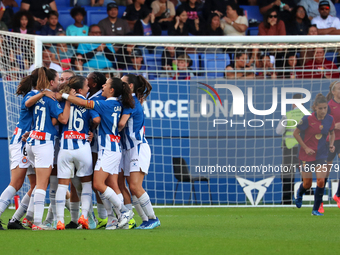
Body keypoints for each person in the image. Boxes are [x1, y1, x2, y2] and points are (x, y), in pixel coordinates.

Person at [61, 77, 135, 230]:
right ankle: (113, 220)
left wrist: (64, 95)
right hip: (114, 148)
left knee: (97, 184)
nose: (103, 86)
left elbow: (83, 103)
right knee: (112, 184)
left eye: (106, 84)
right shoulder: (116, 104)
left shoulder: (105, 104)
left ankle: (123, 211)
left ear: (112, 90)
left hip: (108, 150)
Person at [0, 68, 54, 230]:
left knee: (35, 185)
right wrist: (44, 93)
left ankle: (16, 219)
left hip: (32, 142)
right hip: (21, 142)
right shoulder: (33, 95)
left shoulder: (43, 96)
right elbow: (27, 103)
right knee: (16, 183)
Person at [24, 68, 70, 230]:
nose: (59, 82)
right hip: (44, 143)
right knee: (42, 184)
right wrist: (69, 101)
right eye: (58, 80)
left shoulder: (36, 96)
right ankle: (37, 223)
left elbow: (28, 104)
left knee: (37, 184)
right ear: (51, 82)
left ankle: (28, 218)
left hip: (31, 141)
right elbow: (63, 119)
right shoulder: (51, 99)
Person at [55, 76, 100, 230]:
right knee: (86, 184)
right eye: (87, 86)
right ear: (80, 89)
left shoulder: (62, 101)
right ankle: (84, 217)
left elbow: (58, 119)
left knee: (62, 186)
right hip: (83, 147)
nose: (89, 88)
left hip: (65, 147)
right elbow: (96, 120)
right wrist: (91, 130)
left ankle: (59, 221)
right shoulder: (88, 104)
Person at [119, 74, 160, 229]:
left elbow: (121, 124)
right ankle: (145, 220)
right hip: (128, 149)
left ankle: (153, 218)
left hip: (138, 147)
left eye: (122, 83)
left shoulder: (132, 102)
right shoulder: (128, 101)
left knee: (135, 186)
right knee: (131, 186)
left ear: (130, 86)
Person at [294, 93, 335, 216]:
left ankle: (315, 209)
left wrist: (332, 144)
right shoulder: (307, 119)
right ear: (315, 108)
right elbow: (296, 133)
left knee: (321, 181)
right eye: (320, 108)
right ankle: (300, 193)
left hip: (321, 155)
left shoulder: (330, 119)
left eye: (325, 108)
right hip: (306, 155)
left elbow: (332, 133)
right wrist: (305, 148)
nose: (323, 111)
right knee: (307, 183)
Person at [276, 94, 305, 205]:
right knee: (305, 173)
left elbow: (278, 131)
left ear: (293, 103)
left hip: (290, 148)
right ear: (302, 102)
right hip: (305, 149)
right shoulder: (309, 114)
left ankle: (287, 200)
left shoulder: (288, 115)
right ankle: (310, 197)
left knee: (288, 175)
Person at [325, 82, 340, 209]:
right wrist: (335, 126)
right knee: (326, 171)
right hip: (330, 140)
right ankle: (319, 201)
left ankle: (338, 195)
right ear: (333, 92)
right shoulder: (328, 106)